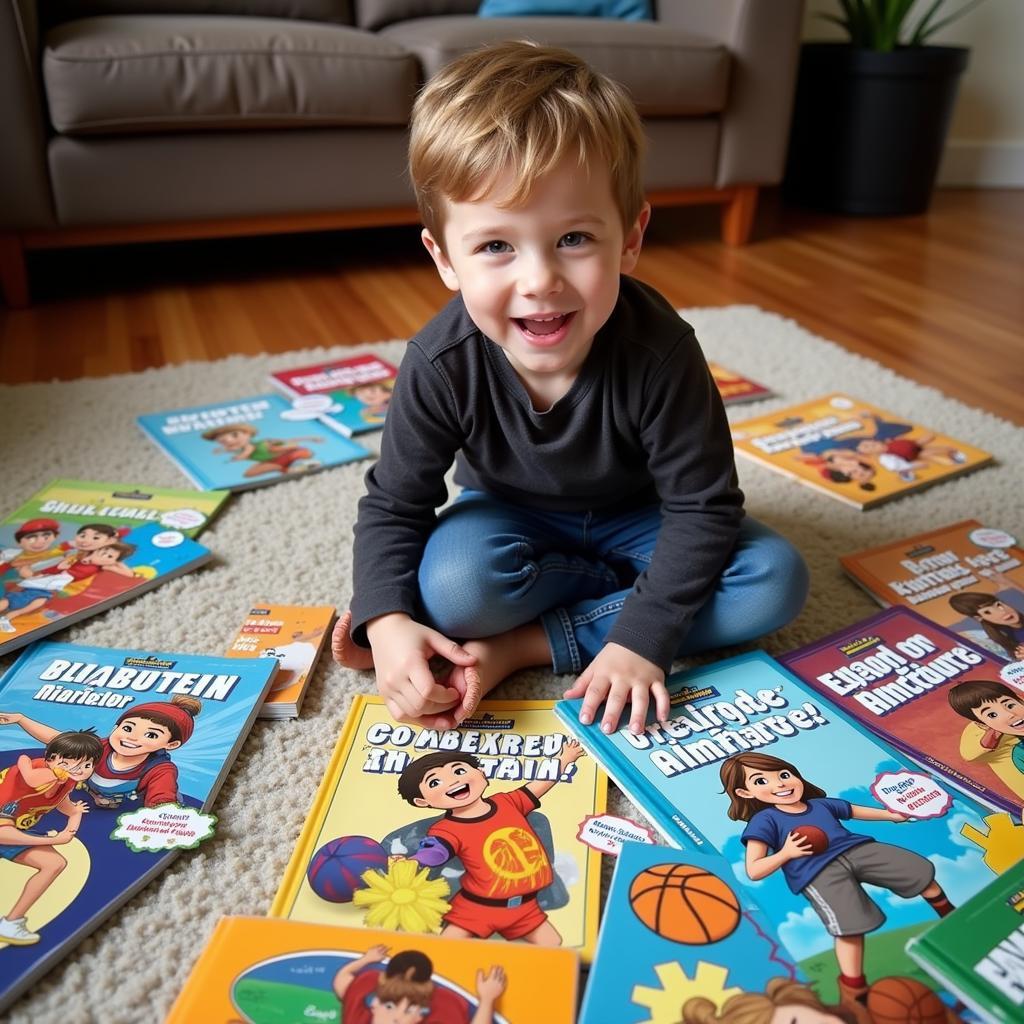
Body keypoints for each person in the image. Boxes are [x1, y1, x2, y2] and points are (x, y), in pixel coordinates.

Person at [333, 41, 808, 735]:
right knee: (455, 590)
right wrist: (386, 619)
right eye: (496, 246)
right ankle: (614, 600)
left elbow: (703, 509)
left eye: (575, 239)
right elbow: (395, 503)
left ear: (631, 237)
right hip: (512, 518)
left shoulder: (660, 349)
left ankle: (524, 645)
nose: (539, 281)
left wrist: (642, 638)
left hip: (646, 517)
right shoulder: (442, 362)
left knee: (774, 580)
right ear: (445, 258)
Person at [719, 752, 954, 1007]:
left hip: (856, 849)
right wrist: (786, 853)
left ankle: (952, 919)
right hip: (817, 871)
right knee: (849, 926)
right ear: (744, 793)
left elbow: (854, 810)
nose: (780, 784)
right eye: (761, 781)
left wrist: (892, 815)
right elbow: (754, 870)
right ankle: (856, 992)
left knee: (917, 869)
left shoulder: (820, 805)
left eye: (784, 775)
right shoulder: (765, 820)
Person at [397, 741, 584, 944]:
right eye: (435, 782)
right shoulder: (446, 829)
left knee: (554, 943)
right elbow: (436, 851)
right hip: (477, 908)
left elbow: (539, 784)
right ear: (423, 801)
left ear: (481, 773)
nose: (453, 782)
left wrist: (564, 760)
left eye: (459, 771)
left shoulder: (508, 802)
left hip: (525, 907)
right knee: (448, 947)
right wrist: (414, 861)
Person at [0, 695, 201, 808]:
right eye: (128, 728)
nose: (131, 738)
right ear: (116, 727)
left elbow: (162, 798)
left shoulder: (160, 769)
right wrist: (21, 719)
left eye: (151, 735)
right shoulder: (101, 746)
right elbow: (58, 739)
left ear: (172, 744)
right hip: (85, 802)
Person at [0, 728, 103, 945]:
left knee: (54, 863)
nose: (78, 770)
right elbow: (3, 833)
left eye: (86, 765)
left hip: (14, 829)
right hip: (5, 829)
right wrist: (53, 840)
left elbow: (66, 806)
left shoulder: (66, 780)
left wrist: (73, 821)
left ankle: (10, 922)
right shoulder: (38, 774)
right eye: (69, 763)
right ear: (51, 759)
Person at [333, 945, 506, 1024]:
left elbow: (343, 981)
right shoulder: (358, 1015)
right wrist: (366, 959)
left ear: (419, 1017)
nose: (397, 1019)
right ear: (375, 1005)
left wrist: (487, 999)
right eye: (390, 1006)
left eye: (409, 1010)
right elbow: (342, 981)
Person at [948, 678, 1024, 798]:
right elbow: (969, 753)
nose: (1010, 714)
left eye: (1009, 705)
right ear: (981, 724)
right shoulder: (979, 734)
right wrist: (995, 731)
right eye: (992, 714)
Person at [948, 591, 1024, 661]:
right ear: (979, 618)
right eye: (987, 612)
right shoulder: (1006, 636)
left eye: (999, 605)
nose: (1002, 612)